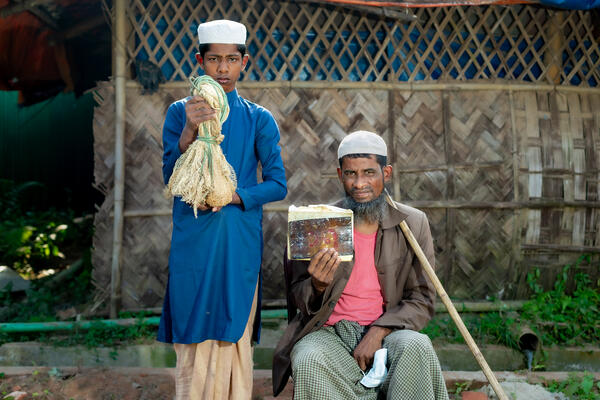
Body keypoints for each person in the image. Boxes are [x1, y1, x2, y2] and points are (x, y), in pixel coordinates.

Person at [158, 19, 287, 400]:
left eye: (232, 59)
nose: (223, 69)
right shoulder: (180, 112)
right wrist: (188, 134)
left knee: (232, 323)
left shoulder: (258, 118)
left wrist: (231, 196)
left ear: (244, 62)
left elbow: (277, 184)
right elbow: (170, 177)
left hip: (237, 240)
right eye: (214, 59)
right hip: (194, 238)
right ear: (200, 61)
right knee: (193, 319)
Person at [272, 131, 449, 399]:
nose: (359, 183)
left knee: (417, 346)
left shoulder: (412, 223)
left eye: (369, 173)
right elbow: (298, 298)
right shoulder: (318, 222)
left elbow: (422, 298)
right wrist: (317, 286)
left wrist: (379, 330)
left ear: (386, 173)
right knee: (308, 357)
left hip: (391, 329)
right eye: (351, 174)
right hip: (329, 332)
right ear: (339, 174)